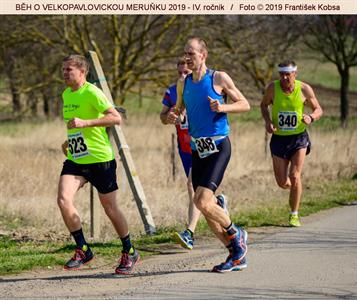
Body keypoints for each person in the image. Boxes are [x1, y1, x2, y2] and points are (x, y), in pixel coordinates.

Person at [170, 37, 250, 272]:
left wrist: (222, 107)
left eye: (192, 54)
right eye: (185, 53)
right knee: (205, 208)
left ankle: (237, 235)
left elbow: (245, 104)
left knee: (202, 201)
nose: (188, 58)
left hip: (218, 147)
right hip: (198, 149)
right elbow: (179, 111)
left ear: (203, 55)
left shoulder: (218, 78)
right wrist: (175, 117)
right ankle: (236, 255)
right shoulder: (183, 83)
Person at [59, 54, 139, 275]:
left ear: (82, 72)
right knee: (64, 199)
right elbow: (75, 124)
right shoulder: (66, 94)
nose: (65, 73)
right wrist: (69, 141)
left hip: (100, 160)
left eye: (69, 69)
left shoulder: (93, 92)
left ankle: (129, 250)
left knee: (110, 208)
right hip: (76, 159)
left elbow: (115, 118)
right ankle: (83, 248)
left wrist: (87, 122)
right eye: (63, 69)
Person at [160, 58, 228, 250]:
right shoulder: (173, 91)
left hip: (206, 145)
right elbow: (163, 116)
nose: (183, 75)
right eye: (180, 72)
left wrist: (220, 107)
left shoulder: (205, 84)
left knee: (192, 187)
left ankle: (190, 232)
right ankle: (219, 204)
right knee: (198, 193)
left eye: (186, 72)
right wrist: (169, 117)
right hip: (187, 147)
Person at [260, 60, 323, 227]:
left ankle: (294, 214)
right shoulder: (272, 88)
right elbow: (263, 105)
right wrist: (268, 122)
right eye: (282, 74)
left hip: (298, 138)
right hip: (279, 139)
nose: (285, 77)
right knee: (282, 183)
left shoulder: (304, 89)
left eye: (288, 74)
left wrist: (311, 117)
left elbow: (318, 109)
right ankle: (294, 189)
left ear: (295, 73)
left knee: (295, 175)